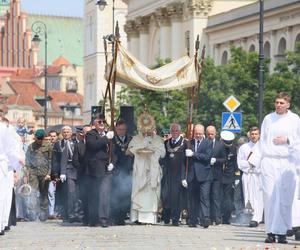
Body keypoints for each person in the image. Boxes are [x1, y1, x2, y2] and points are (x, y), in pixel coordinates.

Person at [249, 92, 300, 244]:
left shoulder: (295, 119)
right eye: (277, 102)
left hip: (287, 162)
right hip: (270, 161)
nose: (278, 105)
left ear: (288, 104)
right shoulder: (268, 119)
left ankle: (283, 232)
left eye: (281, 103)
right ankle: (270, 232)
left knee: (285, 199)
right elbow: (262, 140)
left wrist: (288, 139)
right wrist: (255, 159)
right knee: (270, 197)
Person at [128, 111, 165, 224]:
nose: (146, 131)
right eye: (144, 129)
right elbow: (129, 151)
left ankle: (150, 218)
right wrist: (142, 144)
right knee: (140, 194)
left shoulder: (158, 139)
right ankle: (137, 217)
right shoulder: (135, 138)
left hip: (152, 171)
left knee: (151, 195)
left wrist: (152, 148)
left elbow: (163, 153)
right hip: (140, 171)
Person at [84, 115, 115, 227]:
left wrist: (113, 163)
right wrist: (106, 138)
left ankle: (104, 219)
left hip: (107, 169)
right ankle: (93, 219)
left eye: (104, 121)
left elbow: (113, 152)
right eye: (99, 121)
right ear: (94, 124)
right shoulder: (91, 134)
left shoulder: (109, 135)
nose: (102, 123)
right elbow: (93, 145)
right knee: (94, 195)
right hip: (95, 170)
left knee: (105, 194)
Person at [183, 124, 213, 228]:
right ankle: (192, 220)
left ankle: (205, 219)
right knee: (192, 199)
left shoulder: (208, 143)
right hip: (192, 175)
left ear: (203, 133)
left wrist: (193, 154)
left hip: (204, 176)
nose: (198, 135)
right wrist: (184, 177)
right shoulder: (189, 143)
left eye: (200, 133)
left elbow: (207, 157)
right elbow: (184, 161)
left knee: (204, 198)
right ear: (193, 133)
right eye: (196, 133)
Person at [161, 123, 188, 226]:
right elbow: (163, 157)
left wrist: (184, 176)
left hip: (178, 174)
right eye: (172, 131)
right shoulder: (166, 143)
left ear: (180, 132)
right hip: (168, 174)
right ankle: (166, 218)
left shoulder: (185, 143)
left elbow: (187, 162)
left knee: (176, 197)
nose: (174, 133)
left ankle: (176, 219)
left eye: (176, 131)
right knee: (166, 196)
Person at [0, 121, 23, 236]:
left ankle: (4, 223)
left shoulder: (8, 131)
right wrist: (18, 164)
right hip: (5, 167)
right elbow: (11, 151)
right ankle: (2, 223)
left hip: (6, 167)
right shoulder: (5, 130)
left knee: (5, 198)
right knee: (3, 197)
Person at [237, 127, 263, 227]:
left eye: (256, 134)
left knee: (258, 197)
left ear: (259, 135)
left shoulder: (262, 147)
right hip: (247, 174)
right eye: (252, 134)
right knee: (248, 196)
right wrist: (250, 163)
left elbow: (263, 161)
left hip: (258, 174)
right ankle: (250, 216)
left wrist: (254, 163)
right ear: (249, 135)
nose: (254, 136)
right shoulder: (244, 147)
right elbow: (240, 163)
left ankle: (257, 218)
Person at [25, 129, 52, 221]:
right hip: (33, 173)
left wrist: (49, 173)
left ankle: (43, 212)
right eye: (37, 138)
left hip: (44, 173)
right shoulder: (31, 146)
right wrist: (27, 172)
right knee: (32, 192)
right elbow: (27, 160)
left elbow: (51, 160)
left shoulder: (48, 146)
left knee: (43, 193)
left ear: (43, 138)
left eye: (40, 139)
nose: (39, 140)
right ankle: (32, 212)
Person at [110, 120, 133, 225]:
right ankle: (114, 216)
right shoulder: (112, 140)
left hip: (127, 170)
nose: (122, 131)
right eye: (119, 129)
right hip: (116, 169)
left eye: (123, 129)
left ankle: (122, 216)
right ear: (116, 129)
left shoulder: (131, 140)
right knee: (115, 194)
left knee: (125, 195)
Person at [206, 125, 226, 225]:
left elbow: (224, 159)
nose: (210, 136)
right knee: (206, 196)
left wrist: (216, 160)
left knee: (215, 196)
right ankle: (208, 217)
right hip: (205, 175)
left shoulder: (220, 145)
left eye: (212, 134)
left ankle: (217, 217)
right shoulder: (204, 143)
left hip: (216, 175)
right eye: (208, 134)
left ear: (215, 134)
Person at [60, 126, 80, 222]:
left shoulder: (76, 142)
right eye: (64, 132)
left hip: (79, 169)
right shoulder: (60, 144)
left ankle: (78, 213)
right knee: (71, 192)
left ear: (71, 133)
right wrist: (62, 172)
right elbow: (60, 159)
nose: (66, 134)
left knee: (78, 193)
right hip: (68, 170)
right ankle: (71, 214)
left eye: (68, 132)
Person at [72, 125, 91, 226]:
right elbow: (75, 161)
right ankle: (86, 218)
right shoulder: (78, 145)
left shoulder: (96, 144)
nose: (88, 135)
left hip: (94, 175)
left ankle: (93, 218)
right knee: (84, 198)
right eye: (86, 133)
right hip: (83, 176)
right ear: (83, 134)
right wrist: (83, 169)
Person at [220, 130, 237, 225]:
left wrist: (236, 176)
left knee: (228, 198)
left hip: (229, 176)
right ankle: (218, 216)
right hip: (219, 175)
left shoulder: (233, 148)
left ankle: (226, 217)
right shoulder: (219, 147)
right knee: (218, 196)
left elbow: (235, 163)